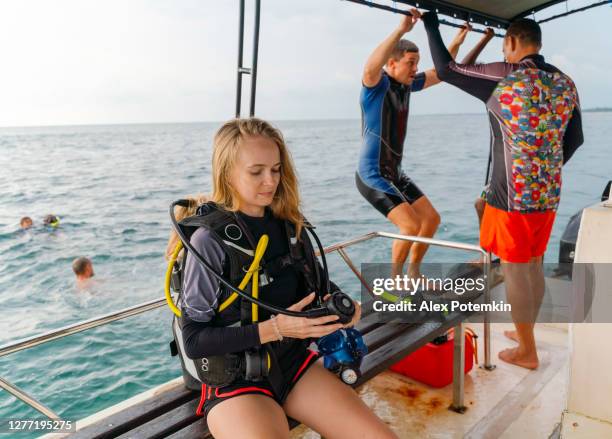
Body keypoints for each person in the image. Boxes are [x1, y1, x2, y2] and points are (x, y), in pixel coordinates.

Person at [179, 118, 397, 439]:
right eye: (256, 172)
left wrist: (345, 307)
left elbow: (321, 288)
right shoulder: (209, 242)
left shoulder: (289, 226)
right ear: (227, 173)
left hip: (293, 364)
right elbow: (194, 340)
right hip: (237, 380)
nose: (270, 181)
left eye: (276, 169)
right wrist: (276, 328)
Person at [422, 13, 584, 369]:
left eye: (503, 46)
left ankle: (527, 351)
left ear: (512, 42)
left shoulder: (506, 75)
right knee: (535, 264)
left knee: (514, 269)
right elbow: (575, 139)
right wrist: (544, 169)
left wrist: (431, 24)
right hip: (548, 192)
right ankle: (525, 333)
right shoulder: (566, 82)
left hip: (512, 195)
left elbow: (447, 70)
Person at [356, 8, 494, 278]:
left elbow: (441, 72)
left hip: (394, 173)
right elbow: (370, 67)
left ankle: (413, 274)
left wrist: (459, 39)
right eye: (410, 62)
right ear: (392, 64)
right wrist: (400, 30)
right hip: (372, 174)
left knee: (431, 220)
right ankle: (395, 282)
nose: (416, 69)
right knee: (409, 226)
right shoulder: (376, 86)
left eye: (417, 63)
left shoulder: (407, 85)